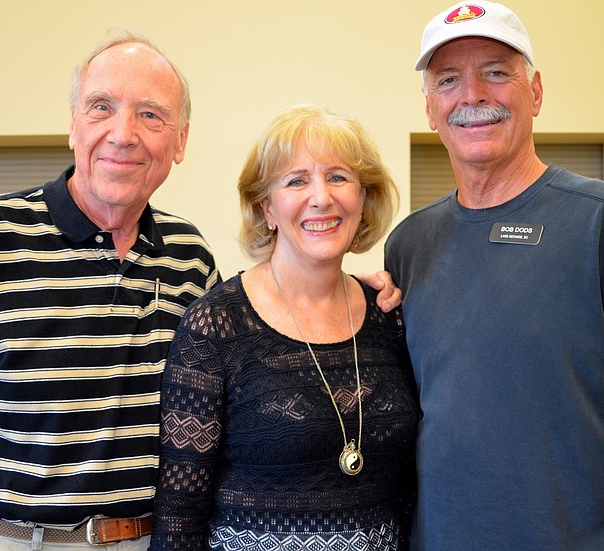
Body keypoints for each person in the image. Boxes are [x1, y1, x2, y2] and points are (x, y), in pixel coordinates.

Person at [0, 32, 400, 551]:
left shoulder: (189, 257)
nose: (123, 134)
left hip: (142, 540)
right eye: (101, 107)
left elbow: (249, 378)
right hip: (6, 539)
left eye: (151, 115)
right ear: (72, 125)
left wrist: (358, 290)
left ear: (179, 142)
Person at [384, 0, 604, 550]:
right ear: (430, 109)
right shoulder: (409, 244)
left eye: (495, 72)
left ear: (535, 92)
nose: (472, 96)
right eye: (448, 80)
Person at [150, 105, 420, 550]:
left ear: (363, 197)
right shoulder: (216, 326)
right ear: (267, 208)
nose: (321, 197)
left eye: (338, 177)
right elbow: (181, 514)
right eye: (296, 180)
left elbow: (408, 491)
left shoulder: (389, 316)